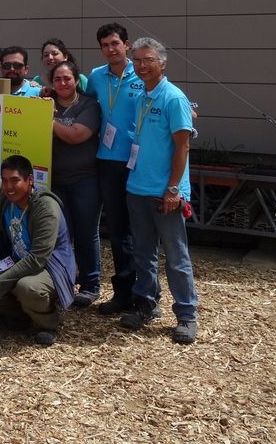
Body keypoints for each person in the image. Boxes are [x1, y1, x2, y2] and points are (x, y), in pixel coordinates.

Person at [120, 37, 199, 345]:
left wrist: (173, 189)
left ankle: (186, 315)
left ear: (162, 63)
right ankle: (146, 303)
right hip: (137, 187)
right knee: (143, 253)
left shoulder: (173, 98)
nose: (141, 66)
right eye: (137, 60)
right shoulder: (143, 96)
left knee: (176, 257)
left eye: (148, 60)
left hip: (164, 192)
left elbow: (183, 147)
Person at [0, 155, 76, 346]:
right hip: (17, 259)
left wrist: (1, 284)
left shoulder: (45, 207)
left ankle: (46, 325)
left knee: (27, 287)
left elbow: (38, 258)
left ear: (30, 180)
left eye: (15, 180)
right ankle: (21, 315)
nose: (8, 187)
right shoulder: (7, 194)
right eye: (5, 181)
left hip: (51, 265)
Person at [85, 22, 143, 315]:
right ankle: (122, 294)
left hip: (138, 162)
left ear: (126, 44)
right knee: (118, 231)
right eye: (105, 45)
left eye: (115, 44)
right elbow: (79, 102)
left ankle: (146, 295)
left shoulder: (142, 74)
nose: (110, 49)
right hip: (106, 161)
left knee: (142, 230)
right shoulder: (96, 77)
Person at [48, 60, 102, 307]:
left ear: (76, 80)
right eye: (57, 79)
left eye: (67, 78)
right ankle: (65, 281)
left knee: (86, 232)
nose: (62, 83)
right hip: (55, 180)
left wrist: (47, 122)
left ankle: (91, 284)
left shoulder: (88, 105)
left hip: (84, 179)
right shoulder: (45, 103)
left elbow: (77, 135)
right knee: (61, 235)